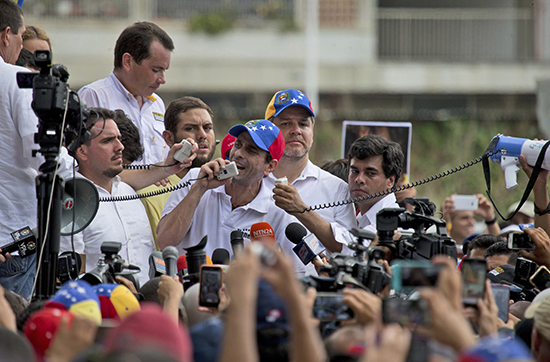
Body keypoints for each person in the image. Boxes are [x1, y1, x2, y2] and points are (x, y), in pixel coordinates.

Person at [157, 120, 310, 275]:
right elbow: (165, 241)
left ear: (270, 166)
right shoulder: (195, 178)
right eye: (238, 145)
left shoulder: (278, 209)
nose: (238, 154)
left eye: (251, 150)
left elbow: (298, 274)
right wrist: (199, 188)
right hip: (187, 294)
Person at [59, 108, 161, 285]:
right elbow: (69, 274)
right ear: (82, 152)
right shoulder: (69, 200)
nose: (120, 147)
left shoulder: (128, 192)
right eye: (108, 141)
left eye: (119, 139)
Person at [265, 89, 356, 253]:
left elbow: (350, 251)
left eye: (303, 124)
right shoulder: (251, 182)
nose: (296, 130)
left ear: (312, 131)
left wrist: (301, 210)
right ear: (269, 131)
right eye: (286, 124)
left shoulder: (337, 189)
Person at [78, 21, 174, 165]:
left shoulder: (157, 103)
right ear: (128, 61)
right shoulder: (94, 96)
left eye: (164, 70)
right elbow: (84, 164)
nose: (162, 79)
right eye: (155, 70)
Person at [0, 0, 39, 299]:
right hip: (13, 243)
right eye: (22, 37)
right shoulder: (18, 79)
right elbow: (40, 153)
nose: (22, 45)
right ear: (6, 35)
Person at [139, 97, 217, 247]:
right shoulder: (151, 192)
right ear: (168, 138)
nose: (202, 135)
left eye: (207, 128)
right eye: (190, 128)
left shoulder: (225, 184)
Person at [347, 134, 404, 236]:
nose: (359, 179)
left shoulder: (395, 224)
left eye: (370, 173)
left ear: (390, 181)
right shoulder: (359, 217)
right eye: (355, 171)